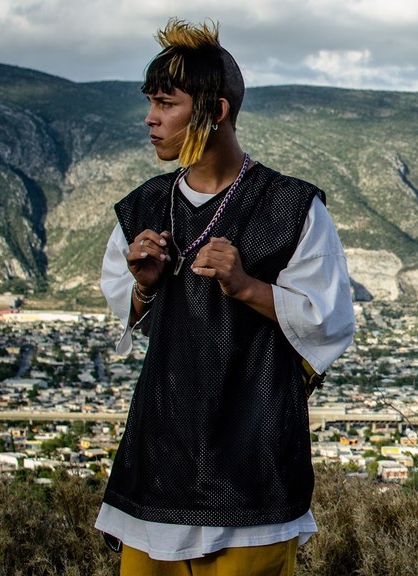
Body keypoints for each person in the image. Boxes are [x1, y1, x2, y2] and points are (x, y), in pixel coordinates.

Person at [95, 18, 356, 575]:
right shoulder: (144, 207)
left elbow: (329, 320)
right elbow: (127, 310)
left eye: (166, 103)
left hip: (254, 464)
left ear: (215, 111)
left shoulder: (292, 207)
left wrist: (248, 287)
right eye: (150, 102)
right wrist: (144, 286)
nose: (150, 118)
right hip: (159, 460)